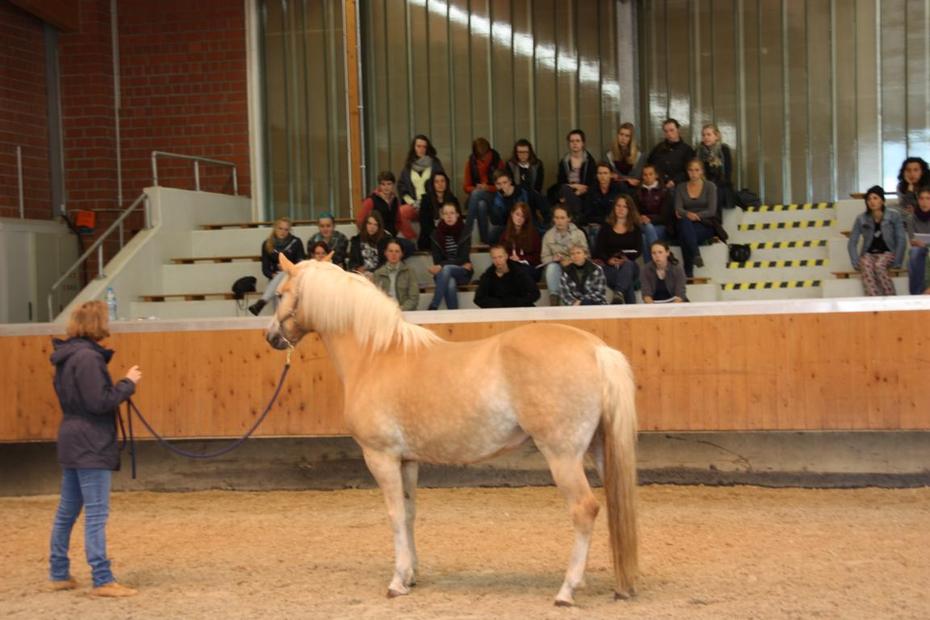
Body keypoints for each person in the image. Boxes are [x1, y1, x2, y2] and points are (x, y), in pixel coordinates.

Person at [48, 300, 142, 597]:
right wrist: (127, 384)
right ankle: (102, 578)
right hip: (91, 442)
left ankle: (59, 572)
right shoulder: (88, 358)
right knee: (96, 513)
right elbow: (99, 402)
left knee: (67, 511)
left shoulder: (67, 356)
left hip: (72, 438)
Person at [847, 185, 907, 296]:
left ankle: (891, 298)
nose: (872, 201)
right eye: (869, 199)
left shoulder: (894, 215)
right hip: (869, 253)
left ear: (882, 200)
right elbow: (852, 242)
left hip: (888, 253)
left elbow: (901, 239)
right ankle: (874, 300)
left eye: (875, 198)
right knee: (865, 264)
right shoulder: (861, 218)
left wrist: (898, 261)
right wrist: (855, 262)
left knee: (879, 265)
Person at [249, 217, 305, 315]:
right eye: (280, 228)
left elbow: (301, 263)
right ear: (275, 228)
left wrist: (288, 267)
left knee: (284, 273)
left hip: (293, 277)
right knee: (279, 281)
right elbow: (265, 269)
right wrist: (273, 275)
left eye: (286, 229)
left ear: (289, 230)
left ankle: (262, 301)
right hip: (275, 278)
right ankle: (276, 315)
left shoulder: (296, 242)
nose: (283, 232)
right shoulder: (267, 244)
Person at [593, 194, 642, 304]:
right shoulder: (606, 227)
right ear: (614, 207)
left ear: (629, 209)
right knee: (626, 282)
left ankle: (618, 294)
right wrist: (608, 260)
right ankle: (619, 295)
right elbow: (598, 250)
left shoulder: (635, 228)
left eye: (624, 206)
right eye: (618, 206)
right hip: (609, 266)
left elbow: (638, 250)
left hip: (629, 265)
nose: (620, 209)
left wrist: (625, 258)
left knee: (628, 266)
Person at [674, 159, 718, 277]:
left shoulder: (710, 186)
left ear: (702, 171)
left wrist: (696, 215)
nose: (693, 173)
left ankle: (688, 272)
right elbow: (678, 209)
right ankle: (696, 254)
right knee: (685, 225)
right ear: (687, 172)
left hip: (704, 224)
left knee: (684, 235)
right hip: (686, 223)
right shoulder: (681, 187)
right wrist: (688, 215)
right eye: (690, 170)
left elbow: (712, 211)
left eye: (696, 170)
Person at [357, 171, 417, 255]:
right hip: (375, 239)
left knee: (410, 246)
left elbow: (398, 220)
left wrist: (394, 233)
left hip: (390, 238)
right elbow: (360, 221)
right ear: (379, 185)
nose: (386, 187)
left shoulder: (395, 200)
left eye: (389, 184)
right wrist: (370, 236)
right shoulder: (371, 201)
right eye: (383, 184)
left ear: (393, 185)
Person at [541, 205, 589, 306]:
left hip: (575, 266)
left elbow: (586, 255)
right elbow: (544, 258)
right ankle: (554, 300)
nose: (559, 221)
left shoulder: (579, 234)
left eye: (562, 218)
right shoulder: (548, 235)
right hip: (557, 267)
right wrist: (553, 258)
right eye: (557, 218)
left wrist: (572, 260)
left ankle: (577, 300)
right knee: (552, 267)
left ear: (569, 219)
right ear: (553, 219)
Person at [428, 203, 473, 310]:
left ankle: (434, 305)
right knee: (450, 282)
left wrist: (442, 265)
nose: (449, 216)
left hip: (462, 272)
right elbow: (437, 260)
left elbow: (463, 258)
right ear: (442, 216)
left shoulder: (465, 231)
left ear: (457, 215)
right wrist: (442, 265)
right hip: (444, 274)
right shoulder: (435, 235)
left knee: (447, 268)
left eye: (452, 213)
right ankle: (454, 315)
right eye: (446, 213)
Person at [463, 137, 506, 244]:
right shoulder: (471, 163)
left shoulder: (497, 161)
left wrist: (488, 188)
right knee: (481, 204)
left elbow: (503, 186)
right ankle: (484, 241)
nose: (484, 159)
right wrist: (477, 188)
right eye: (480, 157)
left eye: (486, 155)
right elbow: (466, 186)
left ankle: (466, 232)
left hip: (495, 196)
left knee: (477, 194)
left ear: (489, 151)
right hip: (478, 196)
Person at [474, 245, 540, 308]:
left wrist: (516, 303)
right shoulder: (487, 276)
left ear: (506, 256)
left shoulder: (519, 272)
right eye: (494, 258)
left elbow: (535, 294)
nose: (497, 260)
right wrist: (498, 305)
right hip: (497, 312)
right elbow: (478, 299)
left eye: (500, 257)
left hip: (521, 310)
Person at [491, 169, 550, 239]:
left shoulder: (524, 191)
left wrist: (546, 223)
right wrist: (500, 201)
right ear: (495, 185)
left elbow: (544, 205)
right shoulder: (497, 199)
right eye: (499, 184)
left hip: (529, 225)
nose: (502, 186)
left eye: (505, 182)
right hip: (511, 228)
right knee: (494, 233)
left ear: (510, 182)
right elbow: (497, 222)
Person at [554, 129, 598, 221]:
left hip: (585, 195)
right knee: (564, 190)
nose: (575, 144)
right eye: (572, 141)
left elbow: (593, 183)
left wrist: (580, 191)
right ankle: (577, 218)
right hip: (568, 192)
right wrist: (574, 186)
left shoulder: (589, 161)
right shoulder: (564, 162)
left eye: (577, 141)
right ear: (569, 144)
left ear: (583, 143)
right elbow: (560, 182)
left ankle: (576, 218)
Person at [397, 134, 445, 213]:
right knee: (401, 212)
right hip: (414, 204)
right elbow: (401, 187)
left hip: (432, 203)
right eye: (418, 146)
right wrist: (412, 203)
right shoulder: (408, 167)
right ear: (414, 148)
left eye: (424, 147)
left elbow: (442, 183)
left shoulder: (435, 164)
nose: (421, 149)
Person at [499, 201, 542, 282]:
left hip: (530, 268)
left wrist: (520, 258)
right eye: (517, 214)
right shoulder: (505, 234)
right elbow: (501, 253)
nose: (519, 218)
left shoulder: (533, 234)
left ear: (526, 219)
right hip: (511, 267)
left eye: (523, 216)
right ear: (512, 214)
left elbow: (537, 258)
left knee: (517, 272)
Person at [373, 239, 421, 311]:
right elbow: (375, 299)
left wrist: (400, 309)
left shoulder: (410, 272)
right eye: (391, 251)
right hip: (385, 312)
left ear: (402, 254)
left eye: (397, 251)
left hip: (405, 312)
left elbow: (414, 298)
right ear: (385, 253)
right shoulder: (378, 273)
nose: (394, 254)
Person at [647, 118, 695, 187]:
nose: (669, 134)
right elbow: (650, 165)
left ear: (678, 130)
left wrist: (675, 181)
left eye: (672, 130)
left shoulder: (687, 150)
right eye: (666, 131)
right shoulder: (658, 148)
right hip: (658, 185)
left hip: (679, 186)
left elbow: (690, 170)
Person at [583, 162, 624, 244]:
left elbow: (624, 208)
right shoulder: (592, 190)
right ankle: (597, 256)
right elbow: (587, 213)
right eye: (600, 173)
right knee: (594, 231)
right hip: (597, 223)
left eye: (605, 173)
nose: (603, 176)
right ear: (596, 175)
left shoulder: (619, 189)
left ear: (611, 175)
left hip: (615, 222)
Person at [417, 171, 458, 250]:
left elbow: (457, 220)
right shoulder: (426, 200)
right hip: (430, 238)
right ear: (432, 184)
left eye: (442, 181)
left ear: (446, 183)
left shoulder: (453, 199)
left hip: (449, 237)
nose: (440, 184)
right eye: (437, 182)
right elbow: (425, 224)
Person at [696, 123, 734, 209]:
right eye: (703, 135)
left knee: (717, 194)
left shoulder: (723, 150)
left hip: (721, 185)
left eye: (709, 134)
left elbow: (727, 172)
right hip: (703, 185)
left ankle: (715, 220)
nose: (706, 137)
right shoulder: (698, 151)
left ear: (716, 136)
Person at [637, 163, 672, 245]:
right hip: (642, 224)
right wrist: (640, 218)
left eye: (650, 174)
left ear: (656, 175)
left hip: (660, 226)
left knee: (645, 236)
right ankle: (657, 257)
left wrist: (649, 219)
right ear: (642, 176)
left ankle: (653, 257)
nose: (648, 177)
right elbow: (634, 211)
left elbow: (665, 216)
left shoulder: (664, 191)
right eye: (645, 175)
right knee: (647, 228)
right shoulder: (637, 191)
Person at [348, 211, 391, 278]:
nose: (372, 227)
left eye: (375, 225)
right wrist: (357, 268)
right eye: (369, 224)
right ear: (365, 224)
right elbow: (352, 262)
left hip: (380, 274)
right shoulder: (356, 240)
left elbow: (387, 261)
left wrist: (374, 272)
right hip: (361, 275)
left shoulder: (386, 240)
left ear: (379, 227)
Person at [605, 123, 644, 190]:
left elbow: (636, 179)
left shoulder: (638, 155)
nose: (623, 138)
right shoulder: (609, 154)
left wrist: (619, 177)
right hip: (615, 188)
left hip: (633, 189)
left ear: (631, 139)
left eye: (627, 136)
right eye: (621, 134)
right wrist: (627, 180)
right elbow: (608, 175)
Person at [907, 187, 930, 295]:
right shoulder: (911, 218)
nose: (924, 202)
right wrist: (917, 243)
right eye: (921, 198)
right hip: (920, 247)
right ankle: (916, 293)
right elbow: (912, 239)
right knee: (914, 252)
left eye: (928, 198)